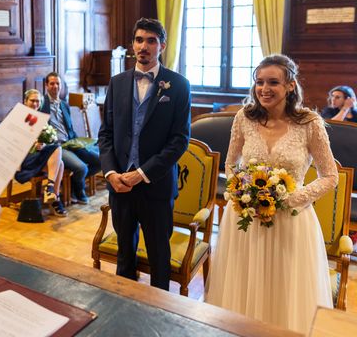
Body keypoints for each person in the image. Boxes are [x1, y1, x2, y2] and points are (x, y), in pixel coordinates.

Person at [205, 54, 338, 334]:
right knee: (244, 285)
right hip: (247, 220)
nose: (264, 89)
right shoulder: (244, 118)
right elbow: (230, 164)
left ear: (290, 86)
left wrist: (291, 199)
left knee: (283, 290)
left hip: (291, 221)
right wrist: (242, 189)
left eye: (273, 82)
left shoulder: (310, 123)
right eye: (259, 82)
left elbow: (330, 176)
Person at [97, 18, 191, 290]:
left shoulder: (178, 85)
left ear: (162, 45)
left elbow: (179, 141)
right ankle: (125, 310)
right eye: (139, 40)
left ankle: (160, 314)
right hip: (120, 187)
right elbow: (106, 134)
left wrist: (141, 174)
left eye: (151, 41)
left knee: (159, 257)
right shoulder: (117, 83)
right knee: (124, 254)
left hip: (156, 186)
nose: (144, 46)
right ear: (132, 45)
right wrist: (112, 173)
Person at [40, 72, 101, 205]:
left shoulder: (64, 105)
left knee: (100, 161)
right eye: (52, 83)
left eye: (58, 83)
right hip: (56, 147)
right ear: (46, 86)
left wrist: (79, 142)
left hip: (71, 142)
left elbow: (69, 128)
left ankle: (73, 184)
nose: (55, 86)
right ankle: (79, 192)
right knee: (81, 168)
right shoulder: (41, 104)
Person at [15, 89, 67, 217]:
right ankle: (53, 194)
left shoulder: (41, 119)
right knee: (58, 155)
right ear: (25, 101)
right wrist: (32, 145)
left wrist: (43, 144)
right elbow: (14, 143)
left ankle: (52, 194)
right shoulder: (18, 117)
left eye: (38, 101)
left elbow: (47, 140)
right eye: (32, 100)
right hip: (23, 160)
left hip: (37, 156)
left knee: (59, 161)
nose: (35, 103)